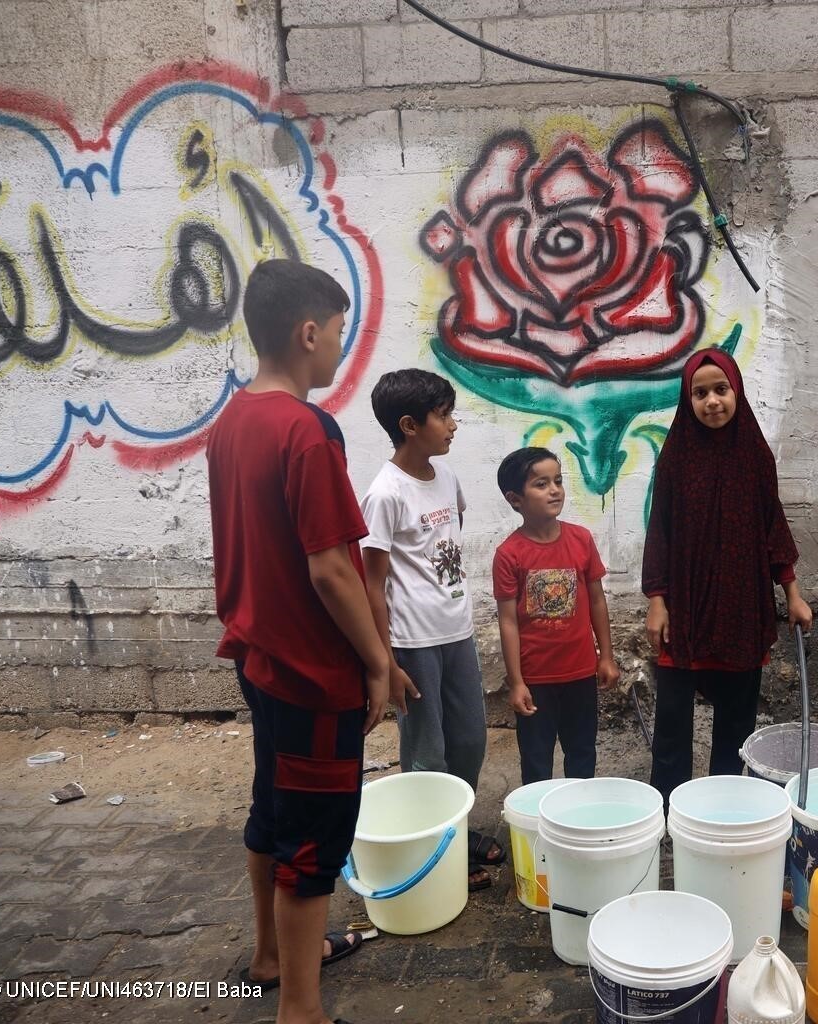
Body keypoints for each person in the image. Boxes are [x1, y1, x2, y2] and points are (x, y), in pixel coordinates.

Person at [208, 259, 404, 1024]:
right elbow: (330, 570)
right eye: (338, 336)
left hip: (259, 659)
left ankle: (268, 957)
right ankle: (302, 1010)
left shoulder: (233, 422)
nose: (340, 352)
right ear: (308, 332)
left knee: (273, 812)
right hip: (311, 673)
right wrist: (377, 665)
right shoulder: (306, 430)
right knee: (313, 846)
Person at [642, 348, 812, 804]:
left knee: (736, 719)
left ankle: (723, 803)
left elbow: (773, 525)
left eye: (721, 389)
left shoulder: (756, 458)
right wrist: (657, 601)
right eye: (700, 393)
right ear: (687, 400)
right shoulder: (676, 459)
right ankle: (667, 807)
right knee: (673, 719)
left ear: (736, 391)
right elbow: (659, 531)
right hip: (686, 607)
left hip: (741, 605)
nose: (712, 401)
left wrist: (792, 593)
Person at [359, 368, 502, 892]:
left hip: (456, 634)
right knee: (426, 751)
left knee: (469, 741)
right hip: (411, 645)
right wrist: (386, 662)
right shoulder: (384, 494)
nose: (453, 426)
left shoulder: (447, 479)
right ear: (409, 425)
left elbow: (447, 550)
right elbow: (372, 585)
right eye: (443, 416)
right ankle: (430, 849)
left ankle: (455, 831)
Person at [492, 447, 620, 785]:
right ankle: (536, 826)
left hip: (580, 672)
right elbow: (508, 621)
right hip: (536, 679)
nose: (554, 490)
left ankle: (577, 822)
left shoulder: (580, 540)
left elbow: (596, 601)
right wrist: (517, 681)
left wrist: (605, 656)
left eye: (558, 481)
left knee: (582, 752)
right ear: (515, 498)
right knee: (536, 759)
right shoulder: (509, 555)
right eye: (541, 484)